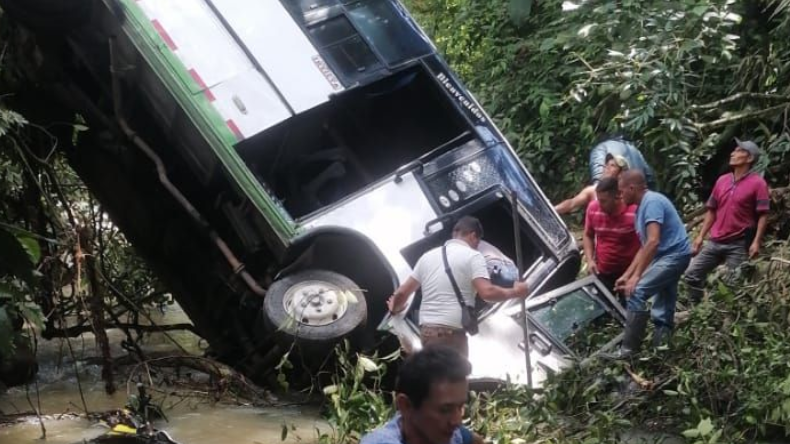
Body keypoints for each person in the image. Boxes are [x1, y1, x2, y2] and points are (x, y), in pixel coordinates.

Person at [387, 216, 529, 357]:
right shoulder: (474, 257)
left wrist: (395, 309)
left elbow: (402, 293)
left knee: (436, 374)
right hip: (451, 334)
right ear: (473, 236)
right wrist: (516, 292)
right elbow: (488, 293)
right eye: (478, 241)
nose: (478, 245)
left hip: (427, 332)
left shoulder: (427, 257)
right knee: (454, 377)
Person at [610, 170, 691, 357]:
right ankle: (661, 351)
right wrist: (627, 275)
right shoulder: (640, 209)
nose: (620, 196)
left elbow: (653, 241)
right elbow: (644, 247)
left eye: (621, 192)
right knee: (663, 308)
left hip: (674, 255)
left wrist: (636, 277)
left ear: (631, 188)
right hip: (666, 257)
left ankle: (629, 351)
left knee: (637, 292)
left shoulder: (652, 202)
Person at [684, 139, 770, 303]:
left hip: (738, 242)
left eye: (739, 151)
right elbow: (711, 210)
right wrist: (700, 237)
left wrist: (756, 242)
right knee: (691, 274)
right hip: (715, 240)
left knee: (733, 286)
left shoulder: (758, 183)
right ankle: (696, 309)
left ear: (749, 158)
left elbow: (763, 214)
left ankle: (727, 320)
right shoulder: (722, 180)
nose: (733, 153)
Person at [359, 345, 483, 444]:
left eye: (460, 407)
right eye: (445, 410)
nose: (457, 421)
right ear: (406, 406)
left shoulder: (447, 433)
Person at [582, 177, 640, 295]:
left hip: (629, 272)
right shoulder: (593, 209)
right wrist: (590, 260)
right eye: (599, 200)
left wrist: (635, 274)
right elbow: (588, 235)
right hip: (603, 271)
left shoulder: (635, 212)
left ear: (617, 197)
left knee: (629, 310)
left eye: (603, 201)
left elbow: (645, 245)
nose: (600, 204)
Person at [555, 153, 629, 215]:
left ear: (621, 173)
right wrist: (553, 210)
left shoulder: (626, 193)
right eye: (607, 164)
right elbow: (571, 203)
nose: (607, 167)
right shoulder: (592, 190)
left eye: (612, 165)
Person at [589, 135, 656, 188]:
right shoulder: (635, 150)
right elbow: (650, 176)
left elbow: (598, 178)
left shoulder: (601, 147)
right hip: (637, 197)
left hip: (614, 197)